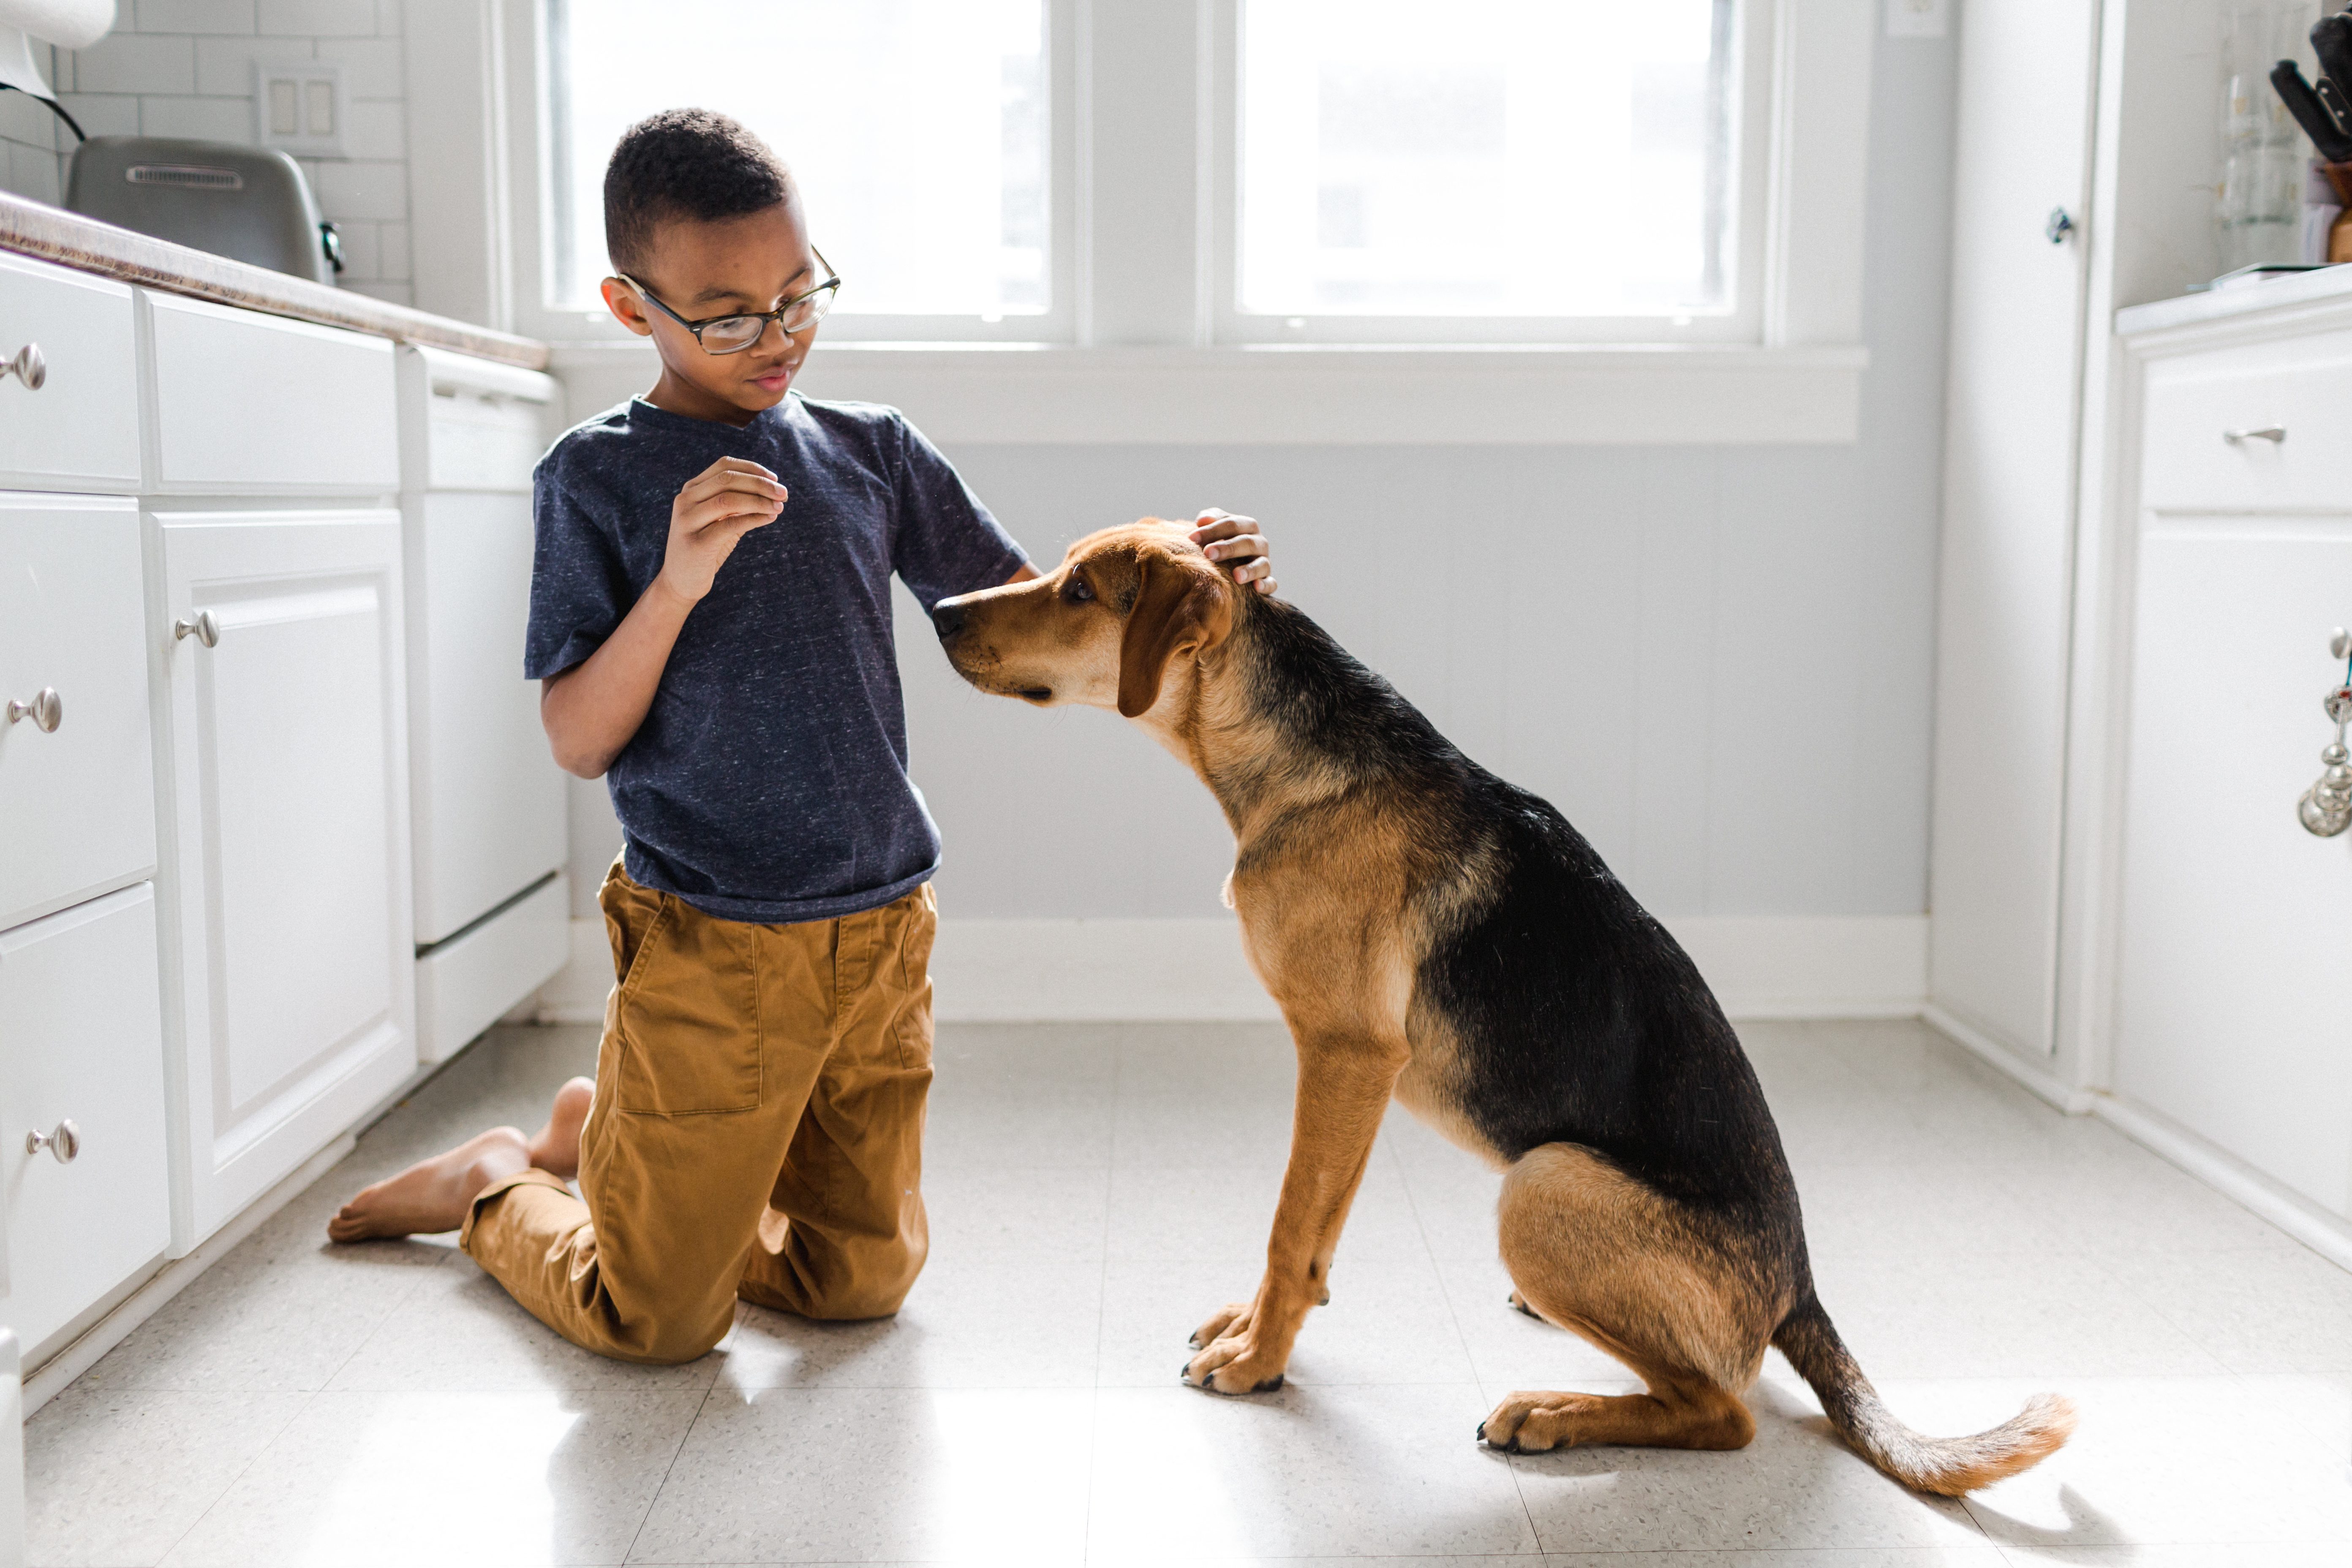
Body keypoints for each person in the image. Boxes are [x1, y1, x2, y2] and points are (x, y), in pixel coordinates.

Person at [326, 108, 1279, 1363]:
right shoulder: (596, 478)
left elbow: (1032, 619)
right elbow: (575, 736)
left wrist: (1193, 579)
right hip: (712, 945)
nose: (776, 337)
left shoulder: (870, 450)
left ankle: (613, 1135)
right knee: (658, 1320)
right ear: (631, 309)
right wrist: (674, 583)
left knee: (859, 1287)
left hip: (881, 931)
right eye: (727, 314)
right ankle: (504, 1182)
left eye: (799, 294)